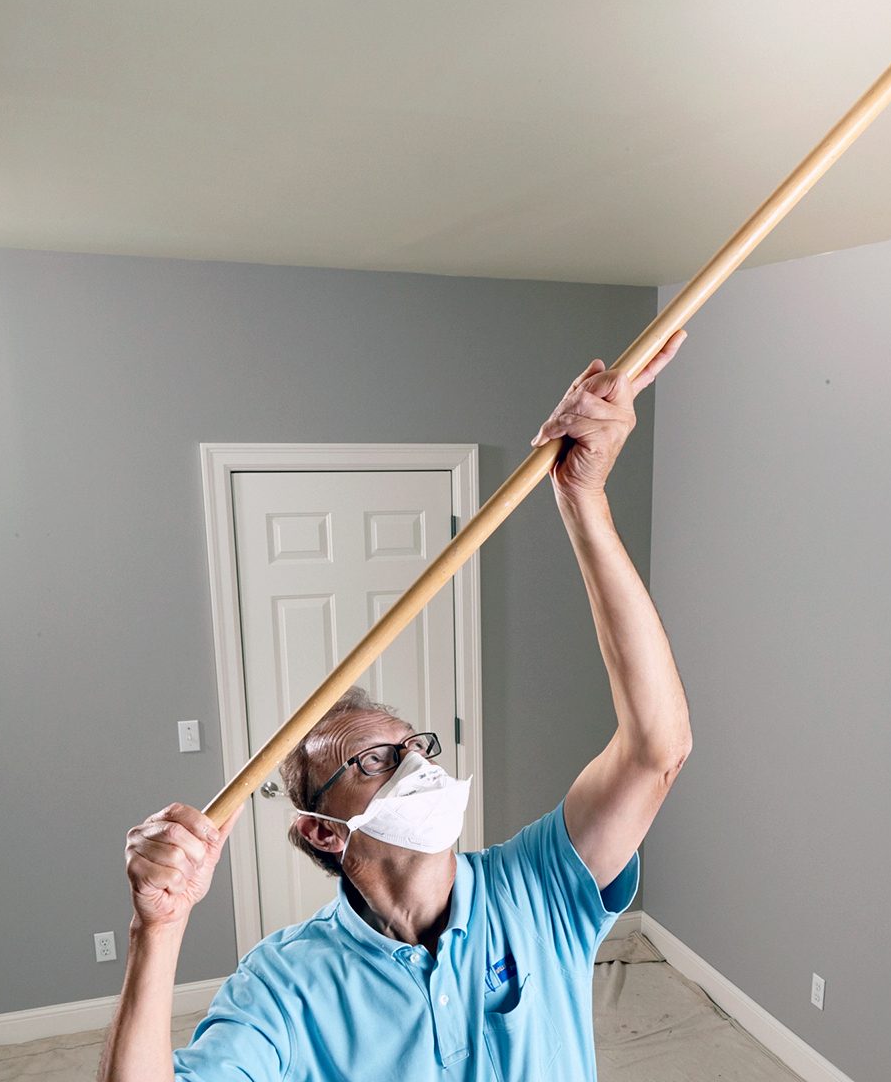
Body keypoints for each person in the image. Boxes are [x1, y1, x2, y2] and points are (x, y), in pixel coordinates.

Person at [98, 333, 692, 1082]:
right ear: (321, 830)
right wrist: (157, 927)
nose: (417, 766)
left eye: (418, 747)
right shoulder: (283, 987)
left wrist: (585, 501)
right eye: (375, 760)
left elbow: (655, 750)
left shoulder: (537, 887)